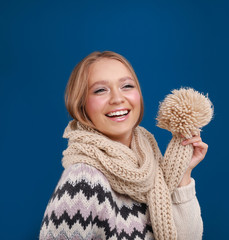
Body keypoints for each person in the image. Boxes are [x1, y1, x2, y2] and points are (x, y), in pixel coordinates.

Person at [39, 51, 208, 240]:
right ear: (80, 105)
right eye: (100, 90)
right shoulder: (83, 180)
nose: (117, 99)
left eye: (127, 86)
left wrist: (182, 174)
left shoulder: (151, 165)